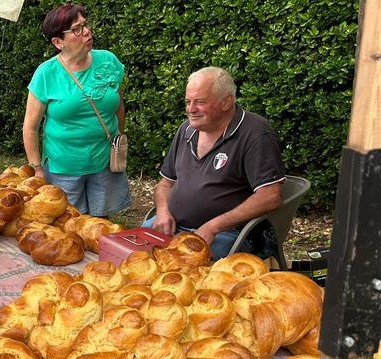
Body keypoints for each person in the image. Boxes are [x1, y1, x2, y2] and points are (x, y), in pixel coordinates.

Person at [143, 67, 285, 260]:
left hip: (227, 234)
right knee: (135, 250)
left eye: (200, 102)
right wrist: (162, 211)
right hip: (174, 226)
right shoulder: (186, 130)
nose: (190, 109)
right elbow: (165, 183)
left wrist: (214, 226)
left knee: (186, 271)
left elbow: (270, 196)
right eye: (188, 102)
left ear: (226, 101)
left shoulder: (255, 133)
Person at [23, 4, 130, 217]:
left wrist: (118, 140)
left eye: (85, 25)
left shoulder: (109, 61)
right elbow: (30, 127)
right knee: (69, 227)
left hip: (104, 164)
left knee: (100, 227)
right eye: (77, 29)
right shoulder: (46, 73)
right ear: (58, 42)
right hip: (64, 169)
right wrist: (37, 169)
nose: (87, 31)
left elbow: (118, 105)